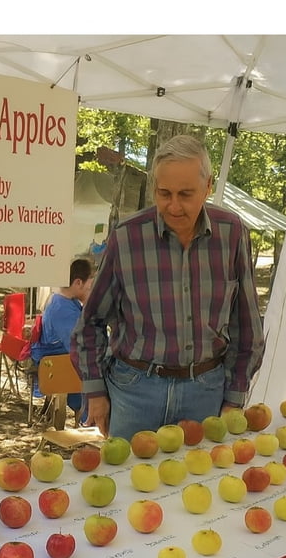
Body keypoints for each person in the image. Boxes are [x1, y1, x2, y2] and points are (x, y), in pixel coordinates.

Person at [70, 134, 265, 440]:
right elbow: (90, 323)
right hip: (134, 391)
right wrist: (95, 392)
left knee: (201, 486)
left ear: (208, 186)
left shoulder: (232, 233)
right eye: (164, 193)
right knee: (124, 484)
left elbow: (248, 327)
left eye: (186, 194)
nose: (173, 206)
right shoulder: (127, 237)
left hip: (206, 394)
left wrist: (234, 397)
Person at [31, 258, 95, 419]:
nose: (92, 290)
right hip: (63, 370)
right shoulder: (63, 310)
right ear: (78, 282)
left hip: (64, 364)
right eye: (90, 286)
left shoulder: (64, 300)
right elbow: (80, 348)